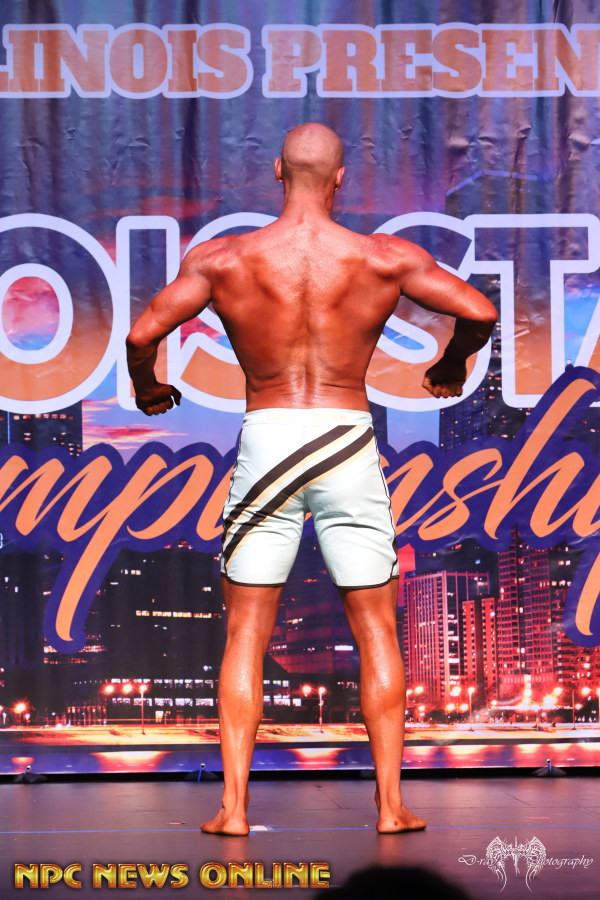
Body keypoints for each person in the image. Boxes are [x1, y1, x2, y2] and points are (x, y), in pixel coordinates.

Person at [126, 123, 498, 836]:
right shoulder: (383, 258)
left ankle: (234, 809)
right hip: (345, 438)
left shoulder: (225, 259)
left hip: (269, 436)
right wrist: (451, 364)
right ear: (340, 178)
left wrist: (148, 390)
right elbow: (479, 311)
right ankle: (390, 807)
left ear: (277, 171)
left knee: (246, 630)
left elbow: (143, 335)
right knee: (377, 627)